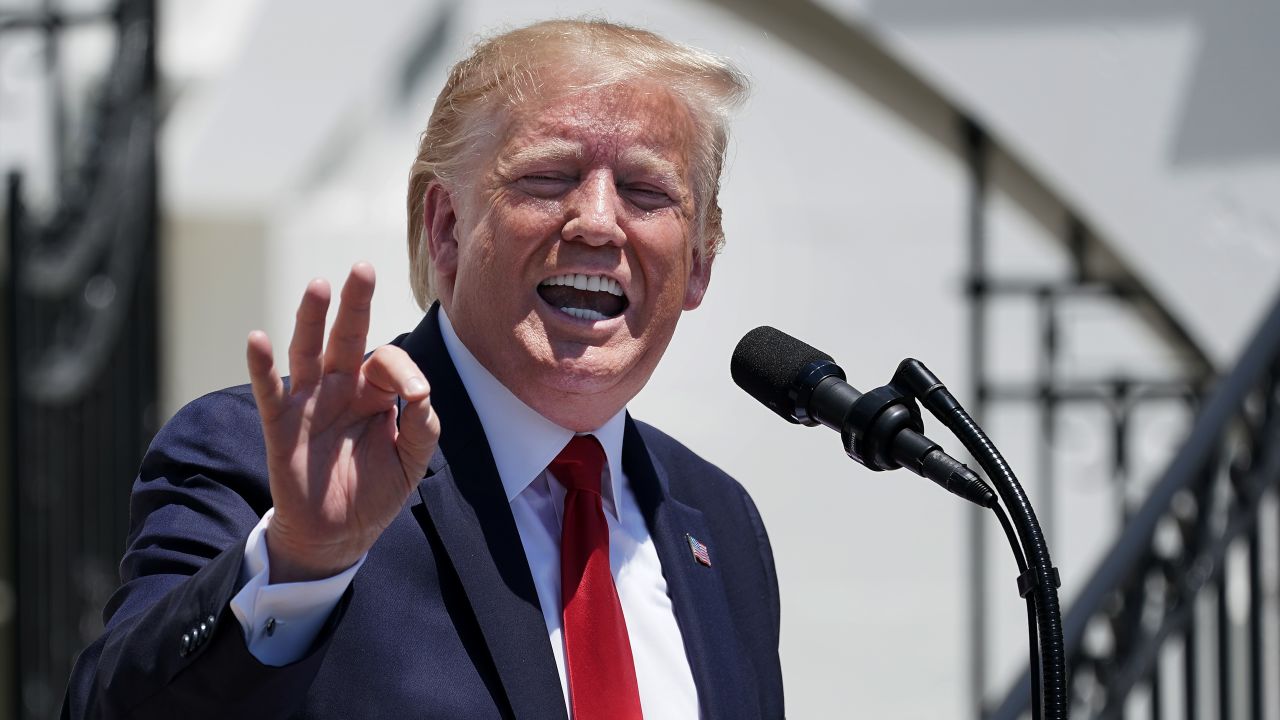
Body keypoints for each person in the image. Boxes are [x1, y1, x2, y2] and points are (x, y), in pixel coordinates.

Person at [63, 19, 783, 719]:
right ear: (447, 228)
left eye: (646, 191)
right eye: (548, 176)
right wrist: (299, 564)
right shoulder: (268, 462)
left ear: (697, 267)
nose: (596, 221)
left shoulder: (718, 520)